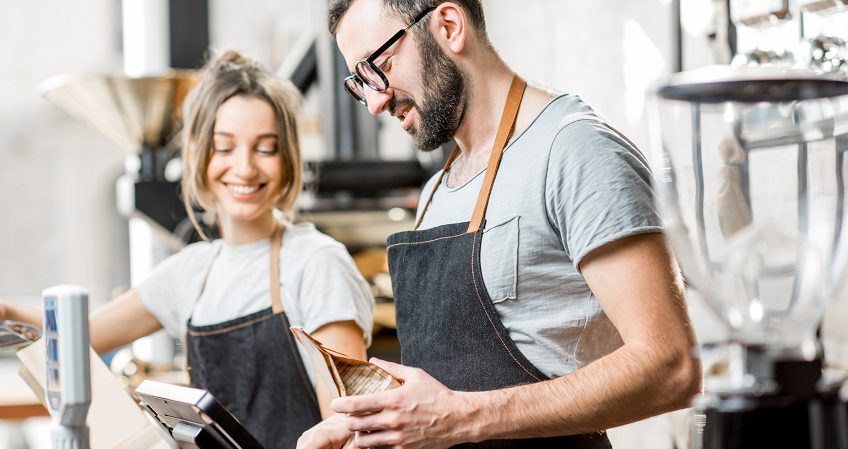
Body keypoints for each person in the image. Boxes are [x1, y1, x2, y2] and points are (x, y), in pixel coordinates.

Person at [297, 1, 702, 448]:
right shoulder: (435, 191)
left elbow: (673, 366)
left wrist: (459, 418)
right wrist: (374, 424)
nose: (375, 102)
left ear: (449, 26)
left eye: (380, 67)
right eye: (360, 83)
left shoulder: (575, 150)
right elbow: (440, 396)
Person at [1, 50, 374, 449]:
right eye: (224, 147)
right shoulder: (193, 273)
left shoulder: (316, 263)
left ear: (288, 159)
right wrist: (6, 312)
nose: (245, 168)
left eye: (265, 148)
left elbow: (350, 434)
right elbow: (79, 334)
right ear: (197, 154)